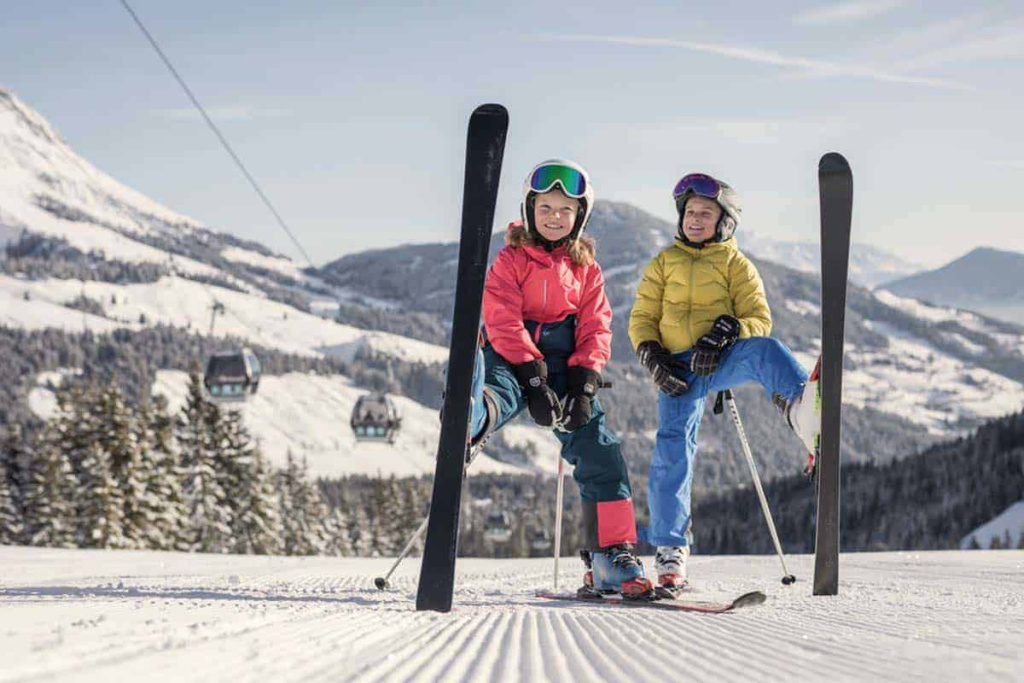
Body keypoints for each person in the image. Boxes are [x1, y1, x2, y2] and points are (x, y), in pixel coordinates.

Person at [467, 158, 652, 598]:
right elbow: (501, 317)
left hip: (568, 365)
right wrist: (531, 379)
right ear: (530, 211)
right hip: (512, 357)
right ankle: (473, 415)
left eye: (565, 210)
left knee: (601, 452)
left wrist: (585, 384)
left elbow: (596, 326)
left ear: (579, 217)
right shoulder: (511, 260)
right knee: (503, 389)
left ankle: (611, 556)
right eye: (546, 208)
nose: (554, 218)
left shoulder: (587, 268)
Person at [627, 172, 819, 591]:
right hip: (676, 369)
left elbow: (758, 318)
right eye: (690, 212)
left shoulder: (737, 265)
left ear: (725, 221)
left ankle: (806, 410)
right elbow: (642, 317)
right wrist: (651, 353)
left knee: (765, 349)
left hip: (719, 359)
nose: (695, 219)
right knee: (672, 451)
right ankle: (670, 551)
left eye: (706, 213)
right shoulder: (663, 262)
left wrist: (730, 330)